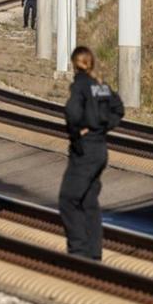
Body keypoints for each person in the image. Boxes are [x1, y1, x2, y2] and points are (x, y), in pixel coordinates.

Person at [60, 46, 124, 260]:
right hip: (100, 149)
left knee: (68, 200)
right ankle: (94, 253)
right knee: (89, 202)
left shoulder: (80, 85)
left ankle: (78, 251)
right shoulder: (101, 85)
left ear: (74, 64)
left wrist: (77, 133)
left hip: (85, 150)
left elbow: (72, 113)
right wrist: (104, 127)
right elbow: (119, 108)